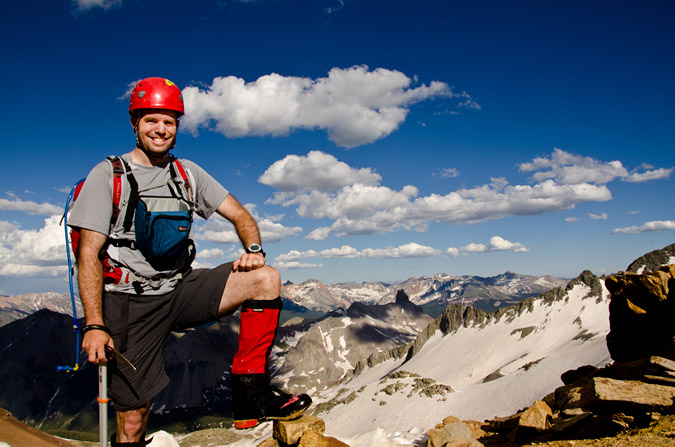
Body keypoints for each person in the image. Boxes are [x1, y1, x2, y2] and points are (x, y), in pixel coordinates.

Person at [68, 77, 311, 446]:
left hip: (179, 288)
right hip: (128, 303)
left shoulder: (187, 174)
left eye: (169, 121)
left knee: (265, 279)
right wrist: (94, 325)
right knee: (133, 420)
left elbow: (241, 215)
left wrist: (254, 250)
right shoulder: (109, 176)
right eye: (151, 120)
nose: (160, 129)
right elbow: (88, 255)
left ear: (177, 126)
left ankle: (251, 396)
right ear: (135, 124)